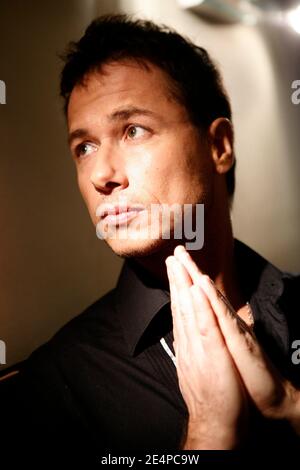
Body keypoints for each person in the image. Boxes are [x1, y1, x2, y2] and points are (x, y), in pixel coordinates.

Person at [1, 14, 299, 463]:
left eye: (132, 130)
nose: (101, 174)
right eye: (84, 147)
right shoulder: (56, 383)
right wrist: (208, 434)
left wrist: (293, 408)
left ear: (218, 146)